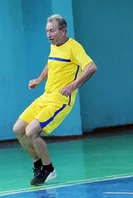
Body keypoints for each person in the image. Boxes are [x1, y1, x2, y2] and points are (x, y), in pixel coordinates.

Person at [13, 14, 97, 186]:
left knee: (31, 132)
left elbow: (91, 67)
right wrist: (38, 79)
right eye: (47, 31)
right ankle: (37, 164)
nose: (48, 34)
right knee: (18, 129)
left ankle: (49, 169)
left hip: (60, 100)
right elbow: (50, 64)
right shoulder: (54, 46)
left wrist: (74, 85)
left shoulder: (74, 47)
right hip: (46, 96)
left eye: (52, 31)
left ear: (63, 31)